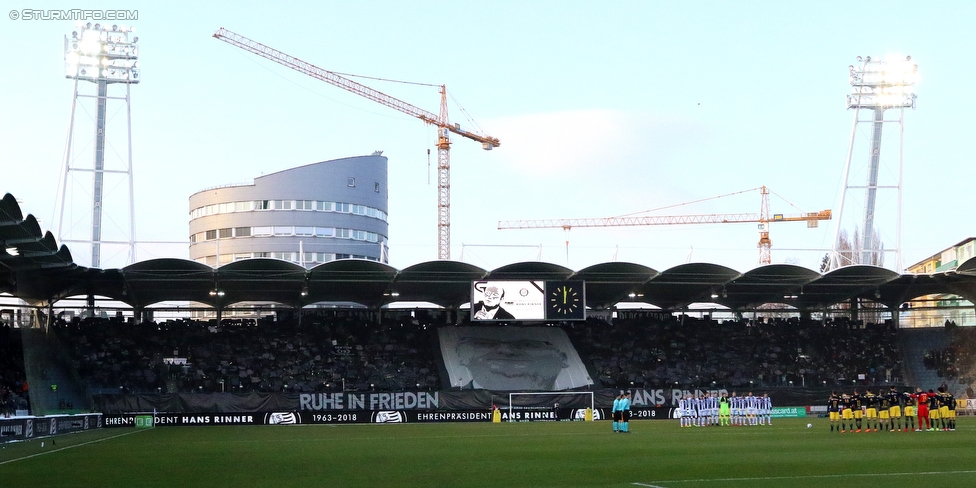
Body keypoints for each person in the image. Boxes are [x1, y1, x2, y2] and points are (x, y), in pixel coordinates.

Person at [454, 333, 570, 390]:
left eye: (529, 345)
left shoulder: (575, 396)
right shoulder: (457, 397)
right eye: (482, 344)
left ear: (563, 359)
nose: (505, 351)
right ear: (462, 357)